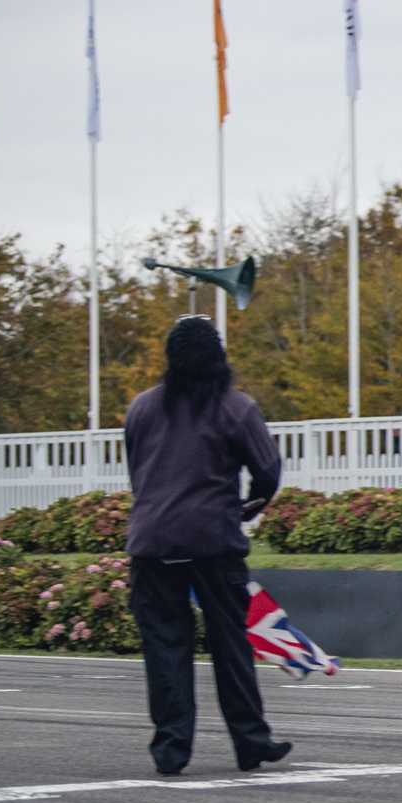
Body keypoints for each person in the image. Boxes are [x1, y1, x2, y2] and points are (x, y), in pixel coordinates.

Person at [123, 316, 290, 777]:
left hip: (152, 543)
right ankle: (251, 741)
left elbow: (137, 468)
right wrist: (247, 507)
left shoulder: (141, 408)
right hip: (213, 542)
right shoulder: (235, 408)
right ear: (219, 356)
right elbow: (268, 472)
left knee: (164, 648)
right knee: (230, 643)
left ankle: (171, 749)